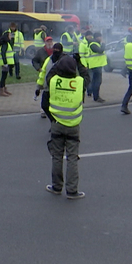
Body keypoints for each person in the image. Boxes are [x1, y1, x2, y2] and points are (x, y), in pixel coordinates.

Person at [43, 55, 86, 199]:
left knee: (57, 157)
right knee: (72, 158)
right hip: (73, 125)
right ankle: (72, 190)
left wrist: (59, 62)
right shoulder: (79, 82)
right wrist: (78, 61)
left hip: (57, 124)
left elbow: (50, 73)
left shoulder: (54, 81)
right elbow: (87, 76)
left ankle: (56, 186)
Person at [0, 27, 16, 96]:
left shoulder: (7, 43)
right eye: (10, 35)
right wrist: (5, 63)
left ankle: (4, 89)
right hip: (5, 63)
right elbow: (3, 53)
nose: (11, 36)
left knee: (5, 77)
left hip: (7, 63)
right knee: (3, 77)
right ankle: (1, 91)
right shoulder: (5, 44)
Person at [88, 32, 107, 103]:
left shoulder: (97, 44)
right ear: (96, 37)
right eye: (100, 37)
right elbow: (100, 51)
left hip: (98, 65)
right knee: (97, 82)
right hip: (95, 65)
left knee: (96, 81)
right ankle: (96, 97)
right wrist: (104, 44)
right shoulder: (93, 44)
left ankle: (96, 96)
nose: (101, 38)